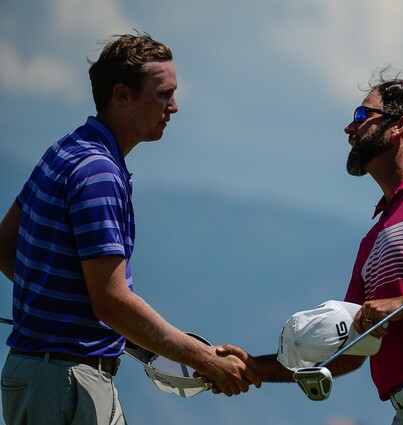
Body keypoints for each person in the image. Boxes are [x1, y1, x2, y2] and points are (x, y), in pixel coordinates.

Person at [220, 71, 403, 424]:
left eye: (362, 116)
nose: (350, 128)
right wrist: (258, 368)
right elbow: (350, 351)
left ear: (399, 126)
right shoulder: (374, 238)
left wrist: (402, 305)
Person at [0, 32, 260, 425]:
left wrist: (58, 308)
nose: (173, 106)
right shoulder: (99, 172)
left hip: (42, 376)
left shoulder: (64, 151)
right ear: (122, 95)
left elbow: (4, 246)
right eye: (162, 94)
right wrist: (204, 358)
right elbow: (111, 300)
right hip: (67, 384)